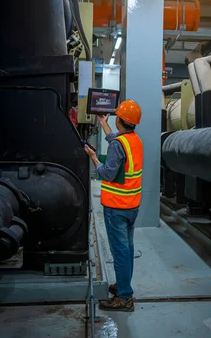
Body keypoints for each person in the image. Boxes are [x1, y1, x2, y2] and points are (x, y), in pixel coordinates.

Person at [84, 99, 143, 312]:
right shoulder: (134, 140)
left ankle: (125, 298)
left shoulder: (120, 143)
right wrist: (103, 124)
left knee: (120, 252)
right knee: (127, 249)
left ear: (120, 119)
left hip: (117, 206)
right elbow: (117, 143)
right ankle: (123, 285)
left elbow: (108, 173)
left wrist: (93, 157)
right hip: (131, 205)